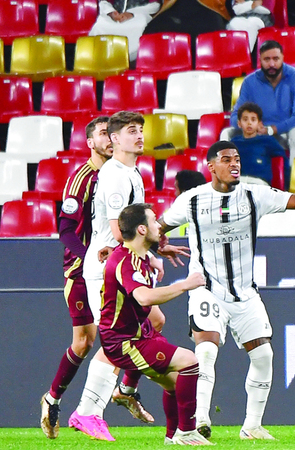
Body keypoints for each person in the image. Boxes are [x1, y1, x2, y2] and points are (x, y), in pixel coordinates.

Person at [156, 141, 295, 441]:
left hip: (245, 293)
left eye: (236, 159)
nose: (234, 164)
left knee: (264, 356)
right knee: (206, 351)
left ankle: (252, 427)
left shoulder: (254, 194)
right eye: (226, 159)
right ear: (211, 166)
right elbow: (157, 227)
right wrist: (159, 245)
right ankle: (199, 421)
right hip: (207, 289)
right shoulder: (192, 200)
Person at [71, 111, 188, 441]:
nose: (139, 136)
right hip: (107, 269)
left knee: (155, 320)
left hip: (124, 264)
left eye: (141, 130)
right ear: (114, 138)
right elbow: (118, 230)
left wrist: (155, 249)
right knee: (116, 340)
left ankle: (125, 389)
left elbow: (136, 226)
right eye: (131, 131)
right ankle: (88, 411)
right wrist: (149, 256)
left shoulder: (132, 171)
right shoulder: (114, 176)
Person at [41, 116, 125, 439]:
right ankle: (54, 399)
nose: (109, 138)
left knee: (119, 333)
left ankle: (109, 399)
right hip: (80, 271)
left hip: (110, 269)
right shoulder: (81, 179)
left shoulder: (118, 175)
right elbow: (65, 229)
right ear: (90, 142)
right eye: (103, 134)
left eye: (111, 133)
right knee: (85, 341)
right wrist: (89, 257)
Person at [100, 202, 211, 445]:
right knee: (190, 361)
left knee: (175, 383)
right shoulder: (125, 261)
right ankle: (186, 432)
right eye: (153, 221)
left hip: (139, 334)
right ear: (141, 229)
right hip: (124, 341)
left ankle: (172, 437)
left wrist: (157, 253)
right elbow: (143, 297)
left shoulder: (138, 255)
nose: (159, 226)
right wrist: (185, 284)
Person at [225, 40, 295, 166]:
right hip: (259, 133)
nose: (272, 64)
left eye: (276, 59)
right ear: (260, 60)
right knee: (227, 133)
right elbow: (235, 116)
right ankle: (226, 175)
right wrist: (251, 126)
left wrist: (272, 129)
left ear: (282, 58)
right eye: (267, 59)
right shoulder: (249, 82)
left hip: (289, 132)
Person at [230, 101, 291, 186]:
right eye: (245, 119)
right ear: (239, 123)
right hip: (239, 181)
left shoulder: (268, 141)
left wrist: (286, 187)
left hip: (259, 183)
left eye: (253, 119)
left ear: (259, 123)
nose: (249, 123)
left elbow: (284, 160)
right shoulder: (233, 142)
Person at [89, 1, 161, 61]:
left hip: (138, 15)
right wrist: (111, 12)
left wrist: (131, 13)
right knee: (100, 25)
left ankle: (127, 59)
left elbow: (155, 5)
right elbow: (104, 2)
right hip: (114, 16)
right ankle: (100, 57)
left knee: (140, 25)